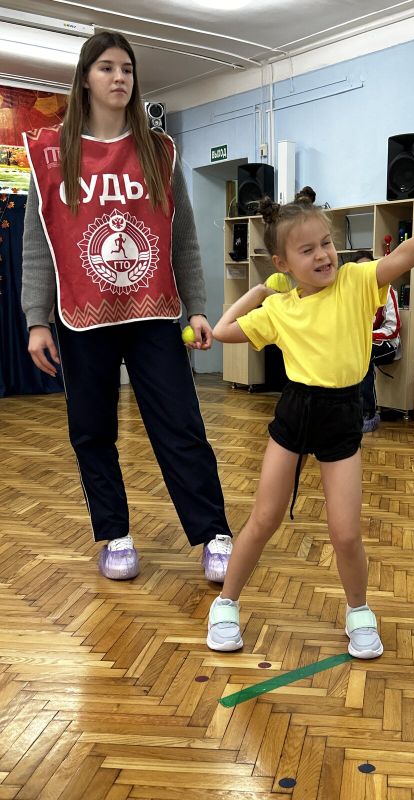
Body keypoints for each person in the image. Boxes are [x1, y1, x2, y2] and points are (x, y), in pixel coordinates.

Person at [206, 174, 414, 658]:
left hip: (343, 414)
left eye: (326, 243)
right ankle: (226, 603)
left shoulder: (356, 282)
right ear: (283, 263)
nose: (323, 254)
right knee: (263, 518)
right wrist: (260, 291)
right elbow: (221, 330)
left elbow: (404, 257)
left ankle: (359, 611)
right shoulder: (279, 309)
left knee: (345, 532)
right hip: (295, 412)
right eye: (307, 250)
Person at [21, 31, 233, 582]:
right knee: (92, 430)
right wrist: (36, 319)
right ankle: (115, 534)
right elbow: (40, 244)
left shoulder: (159, 151)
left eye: (127, 69)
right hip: (81, 317)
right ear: (85, 78)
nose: (120, 78)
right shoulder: (51, 154)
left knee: (181, 426)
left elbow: (182, 238)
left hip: (153, 313)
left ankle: (214, 533)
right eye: (107, 68)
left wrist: (197, 307)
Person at [353, 250, 401, 433]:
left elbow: (393, 328)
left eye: (368, 267)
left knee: (363, 355)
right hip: (358, 344)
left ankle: (369, 413)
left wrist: (365, 336)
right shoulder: (350, 293)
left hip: (387, 344)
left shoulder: (387, 290)